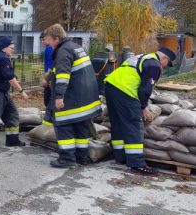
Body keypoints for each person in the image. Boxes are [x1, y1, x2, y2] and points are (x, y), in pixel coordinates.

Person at [104, 47, 176, 176]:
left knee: (118, 123)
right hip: (125, 90)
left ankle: (120, 157)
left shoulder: (143, 56)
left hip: (111, 86)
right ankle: (137, 164)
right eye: (167, 64)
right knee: (134, 125)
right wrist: (143, 107)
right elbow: (145, 90)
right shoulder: (154, 65)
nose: (165, 67)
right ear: (164, 58)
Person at [44, 24, 102, 168]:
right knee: (81, 125)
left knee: (63, 124)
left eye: (50, 40)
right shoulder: (76, 47)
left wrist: (58, 97)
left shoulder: (63, 51)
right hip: (87, 96)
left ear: (56, 38)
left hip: (73, 96)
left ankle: (67, 158)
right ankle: (82, 157)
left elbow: (63, 75)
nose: (49, 44)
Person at [40, 31, 54, 109]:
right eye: (41, 40)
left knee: (48, 98)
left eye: (44, 39)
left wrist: (46, 79)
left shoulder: (49, 49)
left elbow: (50, 64)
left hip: (50, 77)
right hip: (49, 76)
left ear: (49, 39)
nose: (42, 42)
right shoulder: (48, 48)